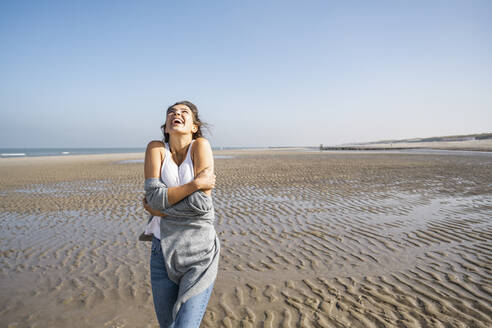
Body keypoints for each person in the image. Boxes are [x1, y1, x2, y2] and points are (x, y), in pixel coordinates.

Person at [141, 100, 220, 328]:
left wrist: (160, 211)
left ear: (194, 126)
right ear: (166, 126)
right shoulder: (156, 148)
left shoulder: (200, 146)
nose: (177, 114)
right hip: (162, 252)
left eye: (184, 112)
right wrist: (195, 183)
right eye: (171, 113)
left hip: (200, 253)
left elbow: (202, 207)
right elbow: (154, 197)